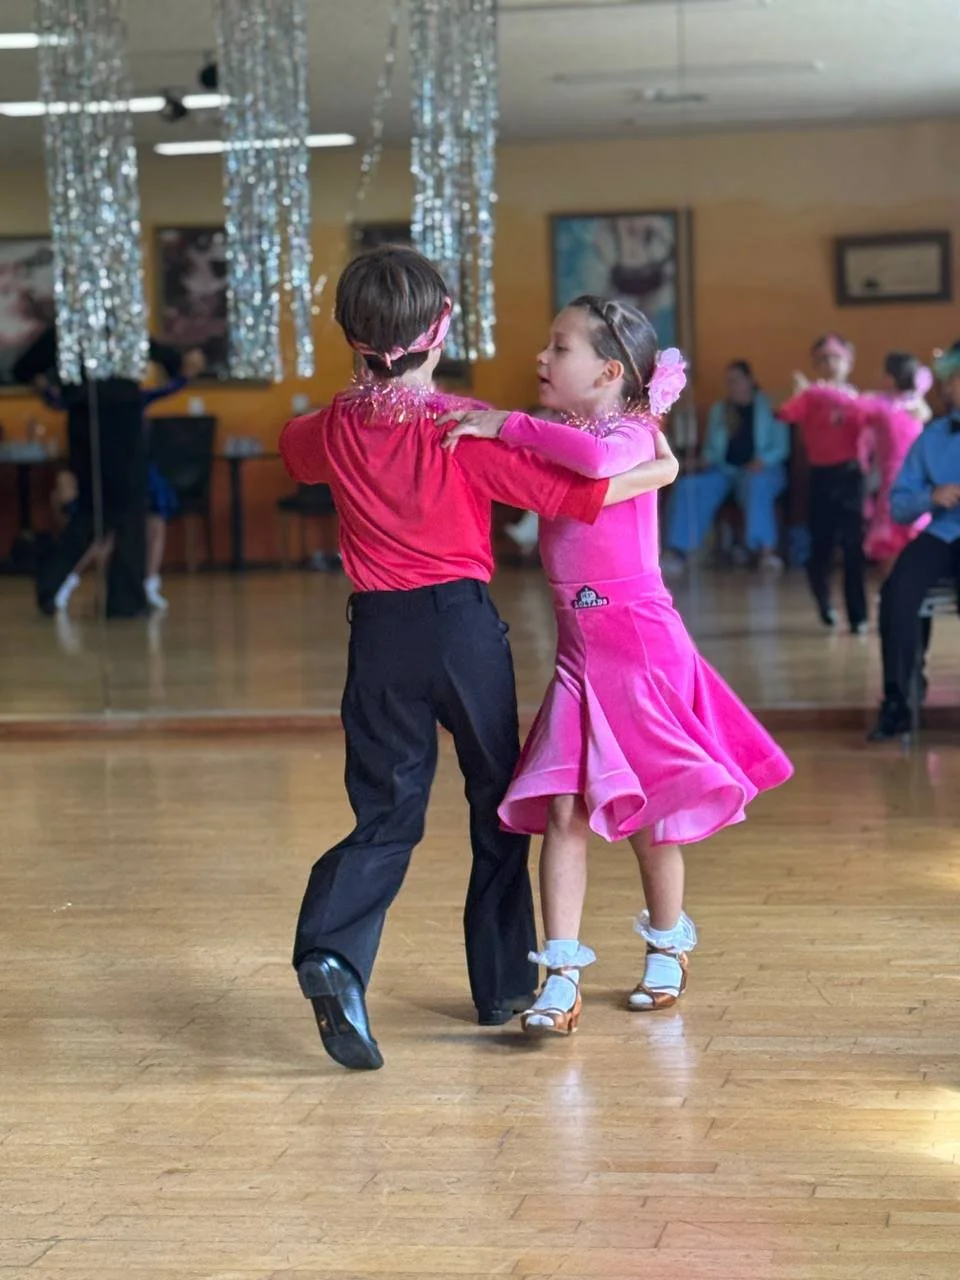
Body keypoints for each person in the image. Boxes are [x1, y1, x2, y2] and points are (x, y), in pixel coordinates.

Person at [278, 246, 679, 1071]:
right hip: (461, 631)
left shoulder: (333, 426)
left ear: (352, 338)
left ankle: (332, 954)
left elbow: (295, 450)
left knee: (386, 814)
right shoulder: (462, 426)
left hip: (378, 637)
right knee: (501, 803)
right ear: (443, 327)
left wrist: (351, 408)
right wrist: (661, 463)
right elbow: (583, 493)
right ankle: (500, 986)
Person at [443, 298, 793, 1035]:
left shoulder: (631, 433)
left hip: (638, 642)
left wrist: (504, 420)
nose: (542, 358)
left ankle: (668, 943)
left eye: (558, 348)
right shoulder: (564, 436)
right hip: (579, 645)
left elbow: (600, 464)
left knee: (649, 807)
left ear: (607, 371)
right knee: (565, 807)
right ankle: (560, 974)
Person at [38, 348, 205, 613]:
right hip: (117, 474)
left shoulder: (113, 399)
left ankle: (146, 583)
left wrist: (44, 388)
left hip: (130, 473)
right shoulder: (106, 400)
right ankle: (69, 582)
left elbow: (55, 399)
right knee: (106, 529)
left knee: (145, 525)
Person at [868, 341, 960, 741]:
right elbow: (899, 505)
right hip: (942, 531)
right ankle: (899, 699)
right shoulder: (932, 436)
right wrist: (931, 498)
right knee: (897, 591)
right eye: (954, 381)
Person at [662, 360, 790, 574]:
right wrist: (705, 460)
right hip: (724, 471)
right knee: (689, 486)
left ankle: (765, 551)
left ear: (749, 381)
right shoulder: (720, 411)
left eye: (735, 381)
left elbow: (781, 447)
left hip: (760, 470)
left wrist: (763, 461)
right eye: (728, 382)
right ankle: (678, 551)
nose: (731, 386)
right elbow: (713, 449)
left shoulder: (769, 407)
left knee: (758, 485)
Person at [779, 334, 867, 632]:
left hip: (852, 476)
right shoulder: (809, 396)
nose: (830, 364)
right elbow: (785, 414)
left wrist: (819, 394)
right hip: (821, 478)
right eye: (823, 360)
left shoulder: (855, 399)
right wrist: (804, 395)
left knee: (854, 549)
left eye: (836, 358)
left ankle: (859, 617)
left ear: (849, 363)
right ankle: (825, 604)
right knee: (822, 549)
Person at [860, 352, 933, 581]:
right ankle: (899, 592)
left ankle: (897, 590)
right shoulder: (915, 405)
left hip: (898, 481)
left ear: (890, 378)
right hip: (914, 481)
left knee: (896, 541)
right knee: (903, 539)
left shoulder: (888, 406)